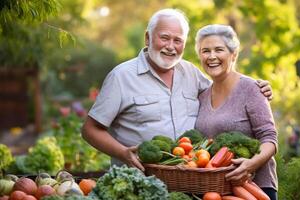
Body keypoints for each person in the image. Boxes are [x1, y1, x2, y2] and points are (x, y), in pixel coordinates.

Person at [81, 9, 272, 172]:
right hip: (140, 183)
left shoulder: (191, 73)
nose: (171, 47)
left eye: (178, 40)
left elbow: (225, 90)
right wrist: (123, 153)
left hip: (188, 183)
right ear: (148, 38)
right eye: (164, 38)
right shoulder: (121, 77)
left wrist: (255, 87)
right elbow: (90, 130)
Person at [194, 24, 278, 200]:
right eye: (205, 51)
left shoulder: (251, 89)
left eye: (219, 50)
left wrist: (251, 165)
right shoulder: (202, 95)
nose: (212, 56)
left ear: (233, 54)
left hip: (254, 188)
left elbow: (269, 138)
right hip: (215, 191)